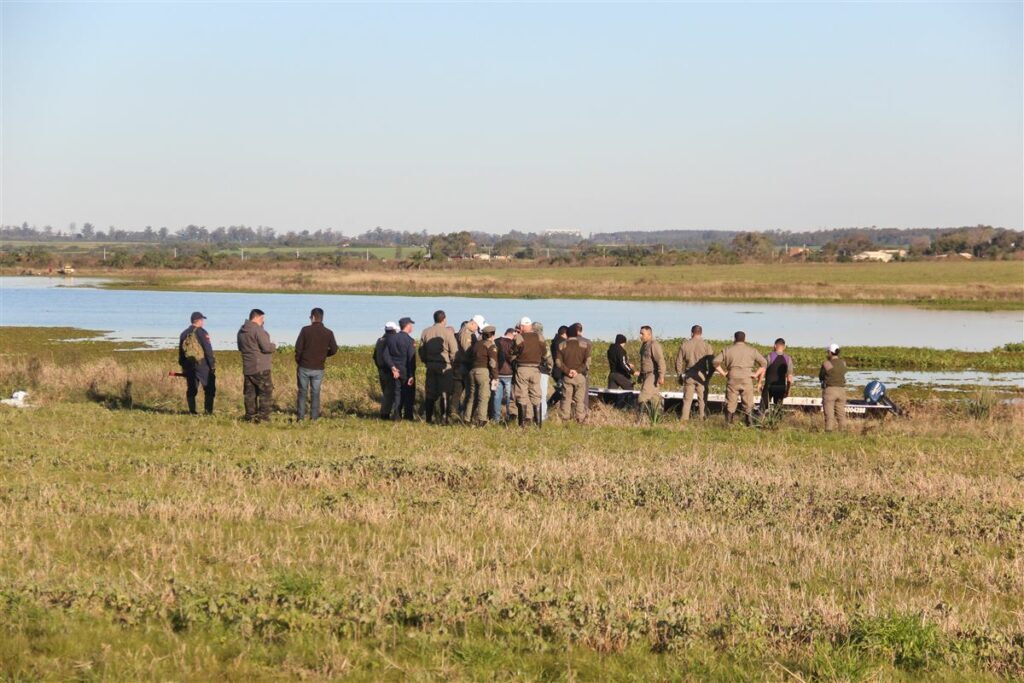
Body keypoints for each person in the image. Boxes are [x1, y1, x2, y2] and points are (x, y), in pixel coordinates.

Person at [713, 331, 767, 426]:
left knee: (730, 402)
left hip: (732, 378)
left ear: (734, 338)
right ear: (744, 339)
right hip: (747, 378)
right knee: (748, 402)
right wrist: (756, 374)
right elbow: (764, 363)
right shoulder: (752, 350)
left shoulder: (727, 350)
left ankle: (729, 424)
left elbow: (715, 362)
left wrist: (723, 373)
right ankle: (749, 423)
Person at [294, 307, 338, 421]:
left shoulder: (305, 330)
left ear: (313, 317)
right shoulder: (328, 332)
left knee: (302, 392)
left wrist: (299, 360)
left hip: (304, 366)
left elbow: (298, 348)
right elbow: (334, 349)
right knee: (316, 393)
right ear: (322, 318)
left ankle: (300, 417)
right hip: (318, 367)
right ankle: (314, 418)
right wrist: (324, 355)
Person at [510, 317, 552, 427]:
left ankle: (522, 424)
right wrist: (549, 366)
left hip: (522, 368)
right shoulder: (540, 337)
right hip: (536, 369)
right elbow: (545, 354)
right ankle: (538, 424)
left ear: (522, 327)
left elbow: (513, 352)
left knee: (522, 395)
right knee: (536, 395)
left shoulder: (519, 337)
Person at [419, 310, 459, 424]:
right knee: (445, 392)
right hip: (445, 366)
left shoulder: (426, 331)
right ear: (444, 319)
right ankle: (444, 418)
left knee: (430, 392)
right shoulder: (447, 332)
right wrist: (453, 363)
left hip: (430, 365)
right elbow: (454, 351)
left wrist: (425, 361)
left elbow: (421, 350)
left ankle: (428, 418)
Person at [237, 308, 276, 423]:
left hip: (248, 367)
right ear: (257, 317)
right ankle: (263, 417)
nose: (263, 321)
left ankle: (250, 416)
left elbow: (240, 348)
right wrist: (273, 345)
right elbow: (266, 347)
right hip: (260, 367)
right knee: (265, 392)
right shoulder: (257, 330)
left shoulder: (241, 331)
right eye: (262, 318)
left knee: (250, 393)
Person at [178, 311, 215, 415]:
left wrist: (183, 365)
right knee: (209, 387)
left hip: (189, 365)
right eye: (202, 320)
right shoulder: (202, 332)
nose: (203, 322)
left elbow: (181, 352)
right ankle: (208, 412)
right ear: (199, 321)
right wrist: (212, 365)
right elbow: (208, 350)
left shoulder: (184, 333)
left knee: (191, 388)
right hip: (202, 364)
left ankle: (192, 411)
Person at [675, 324, 715, 421]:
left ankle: (684, 419)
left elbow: (678, 362)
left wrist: (680, 375)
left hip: (689, 374)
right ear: (701, 333)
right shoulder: (707, 346)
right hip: (701, 375)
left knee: (687, 400)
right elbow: (712, 363)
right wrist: (709, 375)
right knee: (702, 399)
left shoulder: (684, 345)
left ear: (691, 333)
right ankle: (702, 418)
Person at [555, 323, 591, 423]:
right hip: (580, 376)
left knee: (566, 398)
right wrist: (578, 371)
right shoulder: (585, 345)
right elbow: (587, 362)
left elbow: (558, 362)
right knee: (580, 400)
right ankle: (580, 419)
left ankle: (564, 419)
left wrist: (567, 371)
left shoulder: (561, 345)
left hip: (567, 376)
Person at [383, 317, 416, 420]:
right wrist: (411, 375)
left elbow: (385, 355)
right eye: (411, 325)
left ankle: (397, 415)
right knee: (409, 394)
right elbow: (411, 359)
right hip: (406, 370)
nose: (412, 327)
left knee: (397, 393)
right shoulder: (410, 340)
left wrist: (393, 368)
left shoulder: (391, 338)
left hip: (395, 371)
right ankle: (408, 415)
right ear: (408, 326)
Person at [453, 314, 486, 420]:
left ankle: (458, 414)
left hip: (462, 366)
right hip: (464, 366)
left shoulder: (466, 331)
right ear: (473, 323)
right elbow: (467, 351)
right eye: (477, 327)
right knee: (467, 393)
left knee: (461, 392)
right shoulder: (467, 333)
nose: (477, 329)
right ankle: (457, 415)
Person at [466, 324, 498, 426]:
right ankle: (481, 420)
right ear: (492, 335)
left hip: (472, 371)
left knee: (472, 396)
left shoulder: (476, 344)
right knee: (483, 397)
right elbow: (493, 363)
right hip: (483, 372)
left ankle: (467, 418)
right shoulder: (490, 345)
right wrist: (495, 376)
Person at [637, 325, 666, 416]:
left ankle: (639, 419)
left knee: (643, 396)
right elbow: (644, 362)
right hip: (646, 375)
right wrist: (641, 376)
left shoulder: (654, 345)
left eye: (642, 334)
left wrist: (661, 376)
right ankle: (657, 419)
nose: (640, 336)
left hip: (653, 375)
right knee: (655, 398)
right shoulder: (644, 345)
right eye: (640, 333)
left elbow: (660, 360)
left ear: (649, 334)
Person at [819, 343, 848, 432]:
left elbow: (821, 376)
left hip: (830, 390)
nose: (827, 353)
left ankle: (829, 432)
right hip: (842, 391)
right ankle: (843, 432)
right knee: (841, 414)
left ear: (831, 352)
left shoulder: (826, 363)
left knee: (829, 414)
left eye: (828, 352)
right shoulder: (843, 363)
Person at [761, 338, 794, 412]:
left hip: (768, 386)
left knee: (762, 408)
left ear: (775, 346)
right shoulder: (788, 359)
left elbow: (762, 370)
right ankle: (777, 423)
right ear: (784, 347)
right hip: (781, 387)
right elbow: (789, 378)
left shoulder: (769, 356)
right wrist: (788, 390)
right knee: (778, 410)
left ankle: (759, 421)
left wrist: (760, 382)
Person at [373, 322, 398, 419]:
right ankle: (385, 414)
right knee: (389, 392)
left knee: (386, 392)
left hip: (381, 370)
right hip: (390, 370)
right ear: (394, 330)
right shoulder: (392, 340)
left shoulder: (380, 340)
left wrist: (379, 366)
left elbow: (375, 356)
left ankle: (386, 412)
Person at [492, 328, 517, 423]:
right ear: (512, 334)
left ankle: (496, 419)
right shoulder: (512, 344)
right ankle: (509, 418)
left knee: (497, 397)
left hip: (497, 373)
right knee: (509, 398)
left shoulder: (496, 341)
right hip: (509, 374)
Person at [548, 325, 569, 409]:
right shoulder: (562, 343)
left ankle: (550, 405)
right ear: (565, 333)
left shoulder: (556, 341)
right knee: (561, 391)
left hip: (556, 371)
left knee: (562, 390)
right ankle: (549, 404)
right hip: (560, 371)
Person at [534, 321, 552, 421]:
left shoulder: (528, 340)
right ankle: (542, 416)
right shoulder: (543, 341)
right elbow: (548, 358)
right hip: (543, 371)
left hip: (533, 370)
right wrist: (549, 368)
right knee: (543, 394)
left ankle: (533, 415)